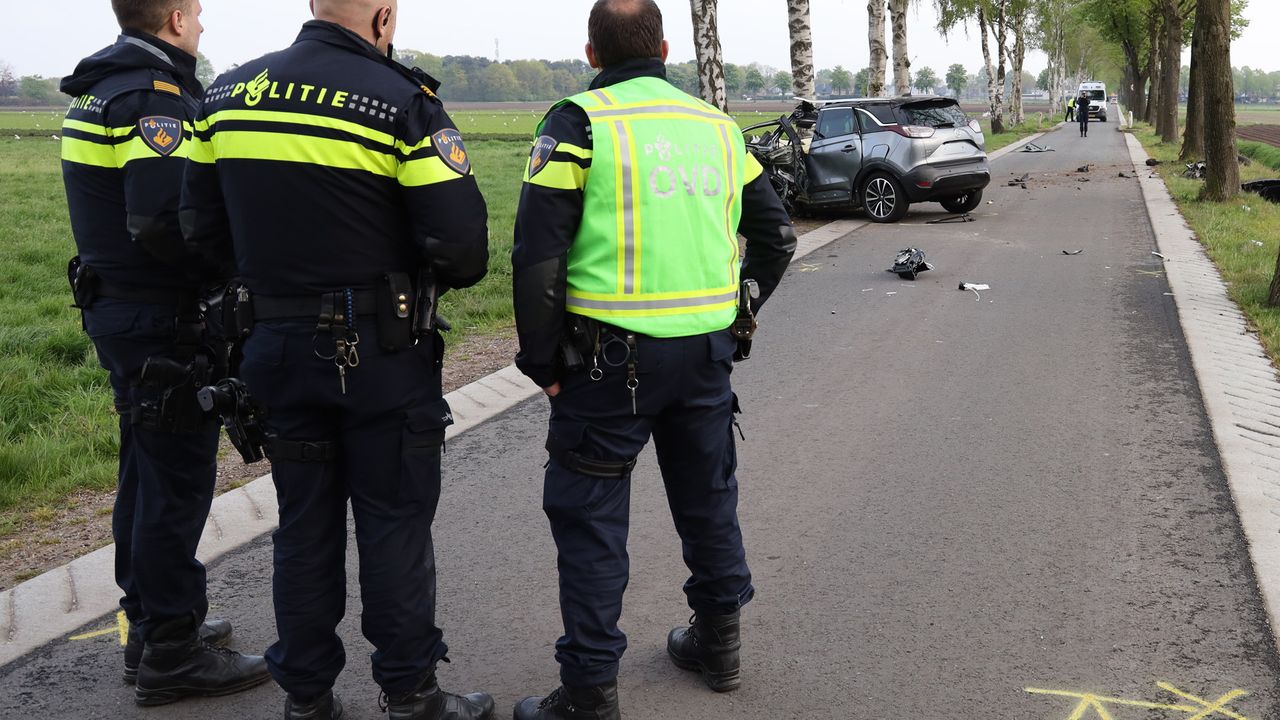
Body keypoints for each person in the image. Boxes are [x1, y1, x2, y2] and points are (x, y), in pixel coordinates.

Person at [180, 1, 493, 718]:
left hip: (274, 350)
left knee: (303, 526)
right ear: (384, 15)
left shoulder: (226, 94)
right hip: (381, 353)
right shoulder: (401, 103)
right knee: (393, 524)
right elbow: (464, 252)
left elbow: (197, 230)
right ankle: (411, 694)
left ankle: (308, 699)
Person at [510, 1, 797, 717]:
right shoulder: (717, 128)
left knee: (590, 520)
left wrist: (542, 362)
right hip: (703, 360)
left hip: (606, 365)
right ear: (666, 47)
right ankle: (720, 648)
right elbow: (777, 236)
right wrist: (742, 307)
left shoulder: (578, 123)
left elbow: (537, 257)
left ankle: (589, 693)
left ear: (591, 53)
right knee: (709, 503)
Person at [59, 0, 269, 706]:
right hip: (161, 321)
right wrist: (222, 280)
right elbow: (162, 219)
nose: (204, 26)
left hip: (120, 309)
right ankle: (173, 648)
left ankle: (150, 625)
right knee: (175, 482)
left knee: (145, 471)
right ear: (175, 17)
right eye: (199, 13)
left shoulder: (102, 86)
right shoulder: (153, 97)